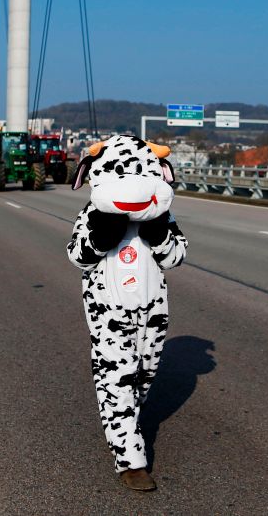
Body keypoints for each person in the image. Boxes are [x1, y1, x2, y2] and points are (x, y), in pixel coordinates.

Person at [66, 134, 188, 491]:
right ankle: (131, 458)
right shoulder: (92, 213)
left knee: (144, 374)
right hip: (108, 309)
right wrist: (99, 237)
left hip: (153, 309)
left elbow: (178, 255)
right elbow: (76, 255)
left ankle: (125, 420)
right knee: (117, 374)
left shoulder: (162, 214)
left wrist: (160, 235)